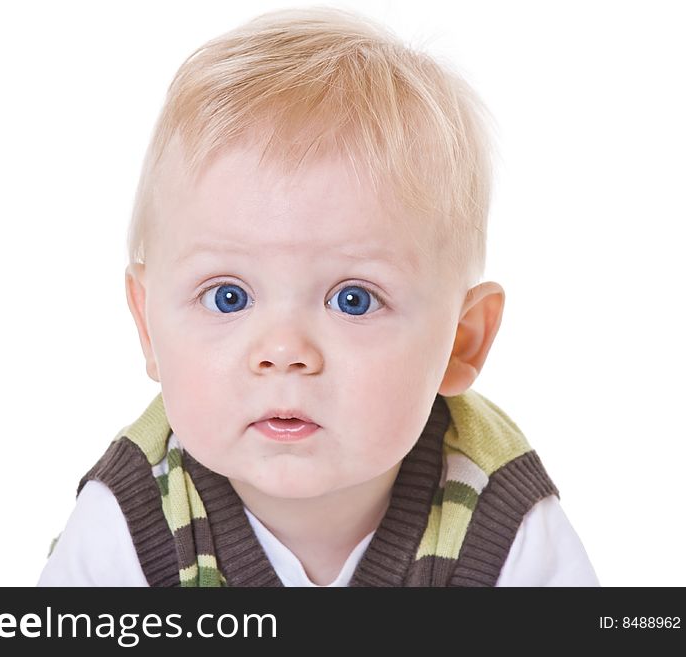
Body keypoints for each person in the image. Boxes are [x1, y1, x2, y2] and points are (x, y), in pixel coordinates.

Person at [38, 6, 598, 587]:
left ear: (462, 340)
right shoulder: (128, 523)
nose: (284, 351)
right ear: (149, 327)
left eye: (353, 299)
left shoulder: (501, 518)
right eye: (228, 297)